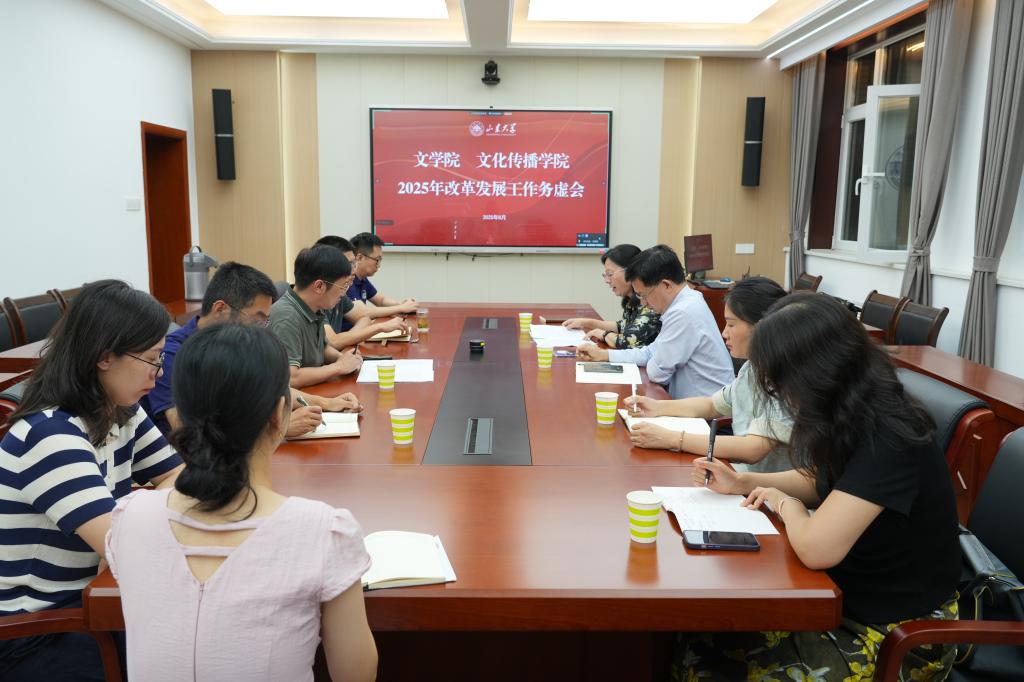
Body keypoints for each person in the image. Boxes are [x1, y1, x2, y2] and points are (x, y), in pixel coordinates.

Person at [676, 293, 961, 681]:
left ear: (813, 371)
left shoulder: (889, 434)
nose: (780, 393)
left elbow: (816, 549)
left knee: (709, 661)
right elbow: (821, 482)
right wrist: (744, 482)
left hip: (895, 629)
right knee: (695, 636)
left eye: (780, 381)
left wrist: (786, 505)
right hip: (847, 595)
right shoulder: (849, 410)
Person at [106, 323, 377, 682]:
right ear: (279, 413)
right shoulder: (324, 532)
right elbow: (355, 674)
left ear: (181, 415)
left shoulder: (129, 517)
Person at [0, 281, 185, 681]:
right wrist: (121, 531)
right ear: (104, 357)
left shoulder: (121, 410)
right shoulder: (50, 434)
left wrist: (124, 519)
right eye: (152, 359)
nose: (159, 373)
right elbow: (124, 545)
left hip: (92, 599)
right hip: (35, 629)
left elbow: (176, 474)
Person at [143, 261, 362, 437]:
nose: (261, 329)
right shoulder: (173, 354)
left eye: (265, 321)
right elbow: (185, 432)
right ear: (221, 309)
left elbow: (274, 390)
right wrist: (277, 430)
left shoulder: (233, 344)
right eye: (257, 319)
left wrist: (327, 403)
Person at [624, 276, 792, 472]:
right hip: (742, 476)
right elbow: (713, 404)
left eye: (731, 324)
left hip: (766, 487)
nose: (724, 333)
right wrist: (657, 407)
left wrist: (672, 439)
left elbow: (753, 449)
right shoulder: (752, 368)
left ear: (762, 326)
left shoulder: (784, 379)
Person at [577, 244, 733, 398]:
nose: (643, 303)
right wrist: (604, 355)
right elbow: (650, 352)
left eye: (644, 295)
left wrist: (653, 359)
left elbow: (656, 373)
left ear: (666, 285)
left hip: (705, 409)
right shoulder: (686, 301)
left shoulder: (682, 313)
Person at [270, 245, 364, 388]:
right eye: (343, 286)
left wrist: (342, 358)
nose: (344, 293)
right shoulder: (286, 317)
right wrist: (339, 367)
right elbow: (290, 378)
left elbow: (322, 348)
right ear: (319, 286)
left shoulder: (314, 307)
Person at [314, 235, 410, 350]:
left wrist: (348, 340)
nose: (353, 270)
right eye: (349, 264)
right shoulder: (315, 300)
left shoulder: (341, 290)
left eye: (353, 264)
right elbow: (333, 342)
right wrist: (380, 326)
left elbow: (365, 317)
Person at [562, 244, 661, 349]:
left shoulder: (650, 302)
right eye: (605, 275)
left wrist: (604, 334)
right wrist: (586, 322)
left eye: (610, 274)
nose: (607, 281)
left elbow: (627, 342)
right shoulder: (632, 300)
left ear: (631, 271)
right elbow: (623, 326)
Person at [338, 232, 417, 331]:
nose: (379, 265)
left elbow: (380, 300)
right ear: (359, 258)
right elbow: (363, 312)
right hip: (347, 335)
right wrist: (401, 308)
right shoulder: (347, 281)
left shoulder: (362, 278)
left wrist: (401, 304)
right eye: (377, 260)